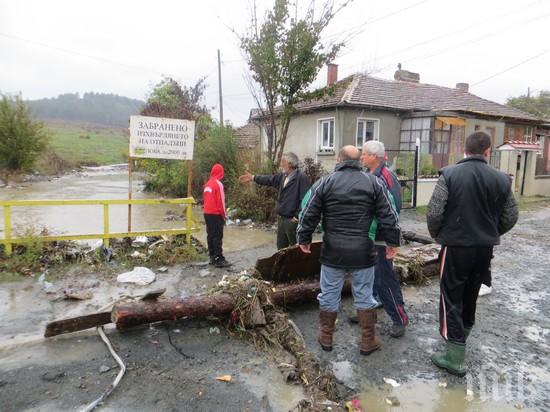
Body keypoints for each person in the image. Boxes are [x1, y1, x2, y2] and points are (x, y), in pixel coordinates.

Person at [427, 131, 518, 376]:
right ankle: (463, 334)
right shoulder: (502, 178)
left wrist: (438, 235)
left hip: (456, 246)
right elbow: (511, 216)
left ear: (464, 151)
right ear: (488, 151)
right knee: (471, 292)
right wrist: (490, 232)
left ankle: (455, 356)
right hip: (484, 248)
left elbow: (435, 211)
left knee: (450, 294)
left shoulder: (450, 174)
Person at [297, 145, 401, 355]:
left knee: (329, 294)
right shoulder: (374, 182)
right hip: (363, 251)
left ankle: (326, 337)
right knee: (364, 296)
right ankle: (367, 341)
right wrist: (392, 242)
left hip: (332, 251)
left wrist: (304, 238)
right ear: (359, 161)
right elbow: (389, 214)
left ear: (338, 159)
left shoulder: (325, 182)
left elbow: (308, 211)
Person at [359, 140, 409, 338]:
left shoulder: (386, 177)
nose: (361, 157)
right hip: (369, 236)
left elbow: (394, 208)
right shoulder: (370, 174)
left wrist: (391, 241)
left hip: (380, 237)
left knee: (384, 279)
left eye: (364, 154)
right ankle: (368, 311)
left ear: (373, 156)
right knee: (369, 276)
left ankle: (399, 318)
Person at [239, 152, 310, 249]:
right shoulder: (283, 176)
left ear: (290, 163)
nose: (281, 164)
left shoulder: (301, 178)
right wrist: (253, 177)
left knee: (296, 249)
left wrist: (298, 216)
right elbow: (269, 179)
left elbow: (306, 199)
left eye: (283, 161)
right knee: (281, 249)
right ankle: (283, 265)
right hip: (281, 219)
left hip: (292, 222)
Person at [203, 163, 230, 268]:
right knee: (217, 236)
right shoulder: (218, 184)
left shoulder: (207, 184)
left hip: (207, 213)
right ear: (221, 173)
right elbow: (221, 201)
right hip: (215, 214)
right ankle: (219, 258)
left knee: (210, 235)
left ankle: (212, 256)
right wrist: (224, 215)